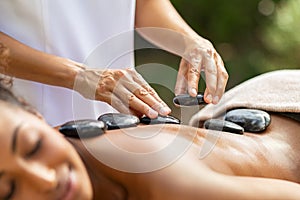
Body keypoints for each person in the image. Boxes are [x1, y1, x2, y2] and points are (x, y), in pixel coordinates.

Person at [0, 75, 300, 199]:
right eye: (9, 191)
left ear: (39, 118)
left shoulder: (154, 171)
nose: (45, 180)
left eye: (32, 147)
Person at [0, 0, 228, 126]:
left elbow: (143, 3)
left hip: (121, 122)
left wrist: (189, 41)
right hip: (27, 126)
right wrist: (80, 76)